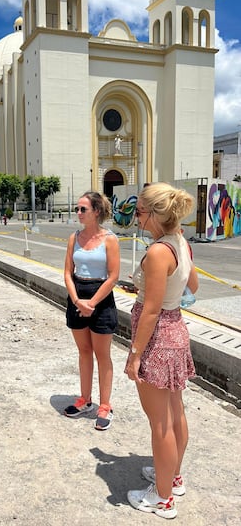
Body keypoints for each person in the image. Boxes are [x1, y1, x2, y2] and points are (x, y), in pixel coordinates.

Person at [124, 182, 199, 519]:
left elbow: (151, 310)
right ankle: (173, 476)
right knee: (175, 413)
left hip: (157, 340)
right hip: (176, 333)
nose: (135, 216)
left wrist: (136, 354)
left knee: (160, 424)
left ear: (154, 213)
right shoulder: (179, 242)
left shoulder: (157, 252)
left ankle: (163, 498)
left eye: (139, 211)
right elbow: (192, 286)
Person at [64, 191, 120, 430]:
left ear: (96, 211)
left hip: (101, 297)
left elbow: (114, 276)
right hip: (78, 295)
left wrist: (92, 303)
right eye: (77, 209)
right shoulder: (73, 237)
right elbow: (67, 272)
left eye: (82, 209)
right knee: (84, 351)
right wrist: (77, 301)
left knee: (102, 354)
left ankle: (105, 405)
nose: (78, 213)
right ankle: (85, 399)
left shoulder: (110, 239)